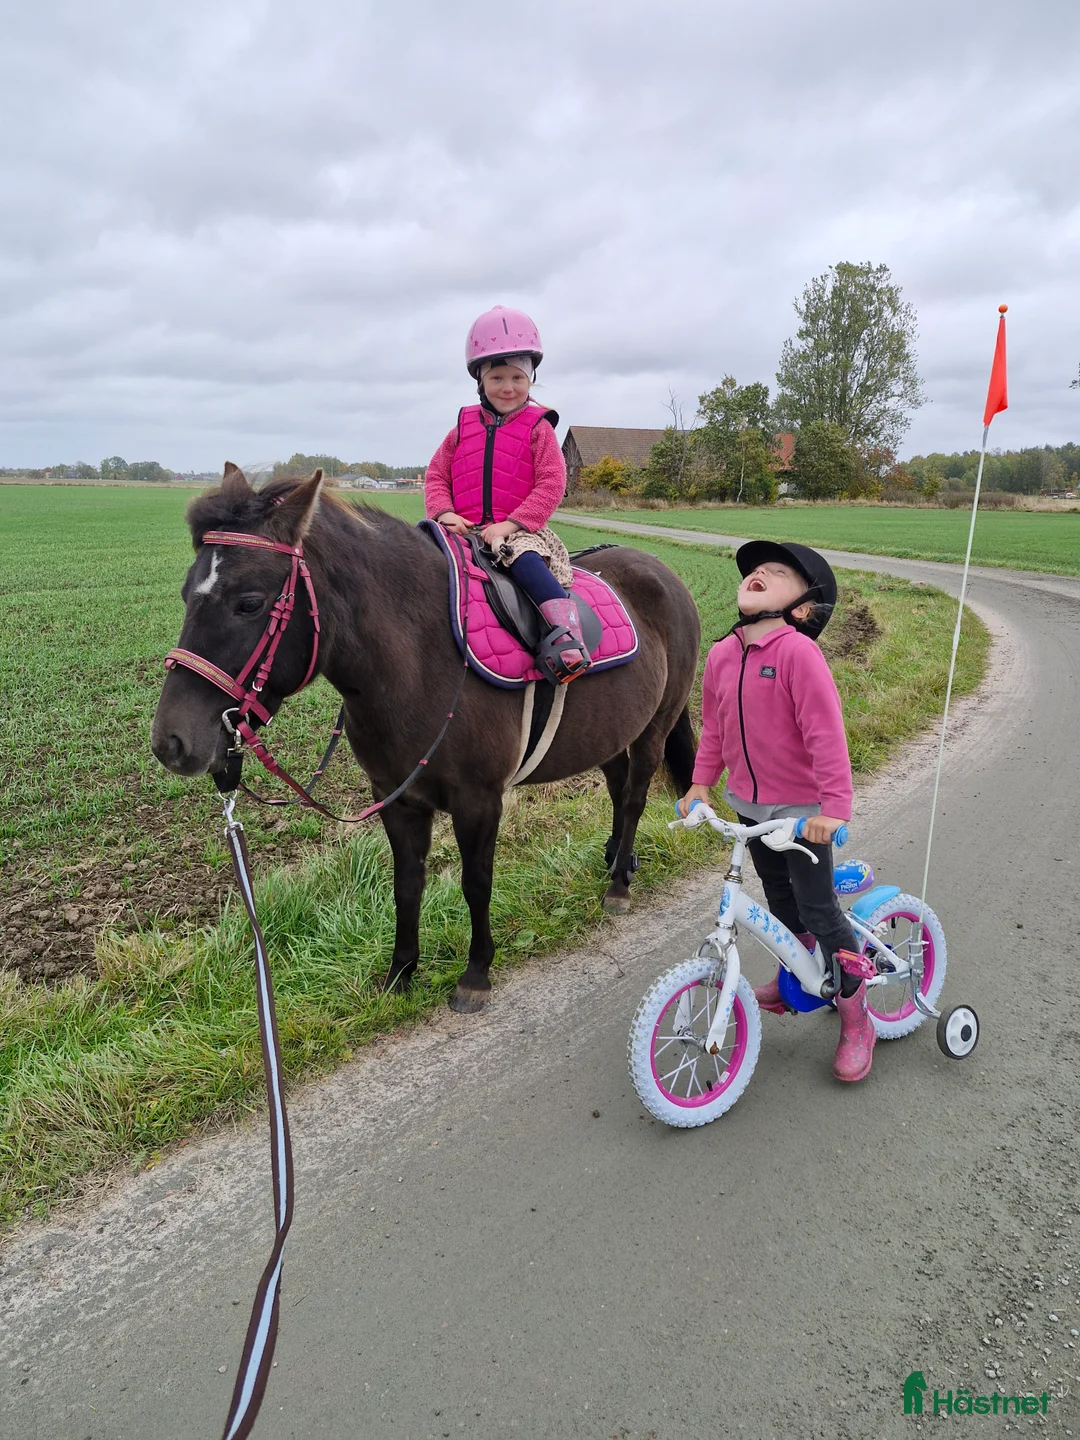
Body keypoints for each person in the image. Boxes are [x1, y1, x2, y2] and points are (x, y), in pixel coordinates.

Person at [677, 540, 876, 1083]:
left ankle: (856, 1011)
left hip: (803, 810)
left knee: (818, 911)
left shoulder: (797, 653)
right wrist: (700, 783)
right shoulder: (723, 653)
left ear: (804, 606)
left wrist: (833, 809)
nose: (759, 572)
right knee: (780, 898)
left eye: (777, 571)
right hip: (750, 807)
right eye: (755, 569)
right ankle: (803, 978)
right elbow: (714, 727)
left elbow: (825, 733)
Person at [424, 306, 591, 683]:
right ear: (480, 381)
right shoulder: (461, 429)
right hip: (464, 528)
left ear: (531, 380)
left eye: (517, 377)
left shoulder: (538, 428)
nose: (508, 387)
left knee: (526, 563)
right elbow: (436, 475)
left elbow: (551, 483)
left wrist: (510, 525)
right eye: (497, 377)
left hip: (520, 532)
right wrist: (443, 514)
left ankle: (567, 636)